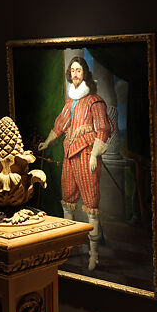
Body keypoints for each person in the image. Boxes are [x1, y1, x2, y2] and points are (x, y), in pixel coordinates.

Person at [38, 55, 112, 269]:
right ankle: (69, 246)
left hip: (87, 155)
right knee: (68, 200)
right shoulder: (70, 101)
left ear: (85, 73)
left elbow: (103, 128)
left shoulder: (94, 101)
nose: (75, 74)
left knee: (90, 204)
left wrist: (95, 154)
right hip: (70, 155)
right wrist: (47, 142)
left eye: (78, 70)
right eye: (72, 71)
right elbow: (60, 125)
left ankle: (93, 254)